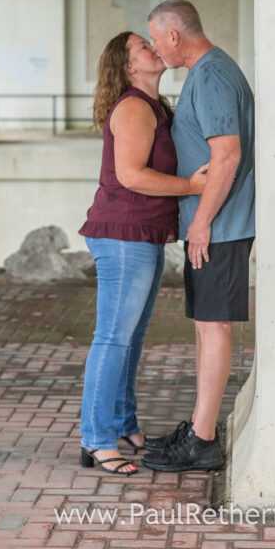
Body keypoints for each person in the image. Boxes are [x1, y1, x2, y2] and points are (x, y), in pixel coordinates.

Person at [78, 30, 208, 476]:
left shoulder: (152, 106)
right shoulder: (134, 107)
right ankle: (96, 440)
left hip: (141, 234)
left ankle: (123, 424)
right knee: (112, 338)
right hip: (123, 237)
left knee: (129, 337)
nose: (154, 48)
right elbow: (132, 175)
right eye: (142, 47)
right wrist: (192, 187)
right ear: (129, 66)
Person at [142, 0, 255, 473]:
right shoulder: (213, 69)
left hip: (221, 227)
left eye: (154, 38)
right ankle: (199, 427)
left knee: (213, 328)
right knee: (206, 327)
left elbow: (226, 154)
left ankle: (203, 442)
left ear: (173, 35)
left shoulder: (208, 75)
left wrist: (202, 221)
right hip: (218, 224)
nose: (153, 47)